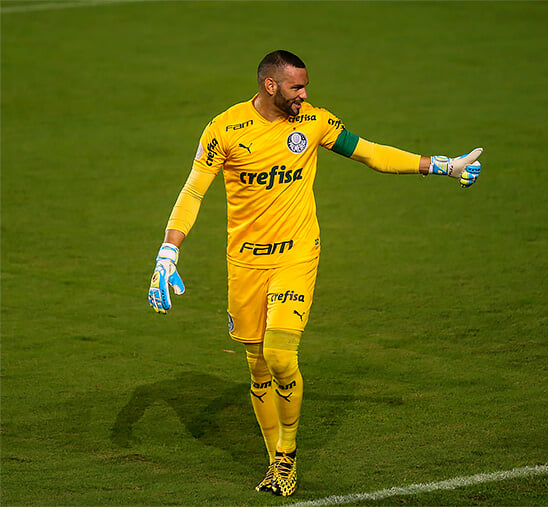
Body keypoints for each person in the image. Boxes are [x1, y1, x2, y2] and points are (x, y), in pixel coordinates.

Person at [148, 49, 482, 497]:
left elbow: (370, 153)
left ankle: (287, 455)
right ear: (270, 85)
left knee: (281, 355)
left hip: (297, 255)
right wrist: (168, 252)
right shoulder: (225, 129)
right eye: (296, 87)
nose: (304, 95)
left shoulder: (314, 122)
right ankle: (275, 462)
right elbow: (193, 191)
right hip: (245, 262)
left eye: (305, 87)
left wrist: (441, 165)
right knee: (258, 366)